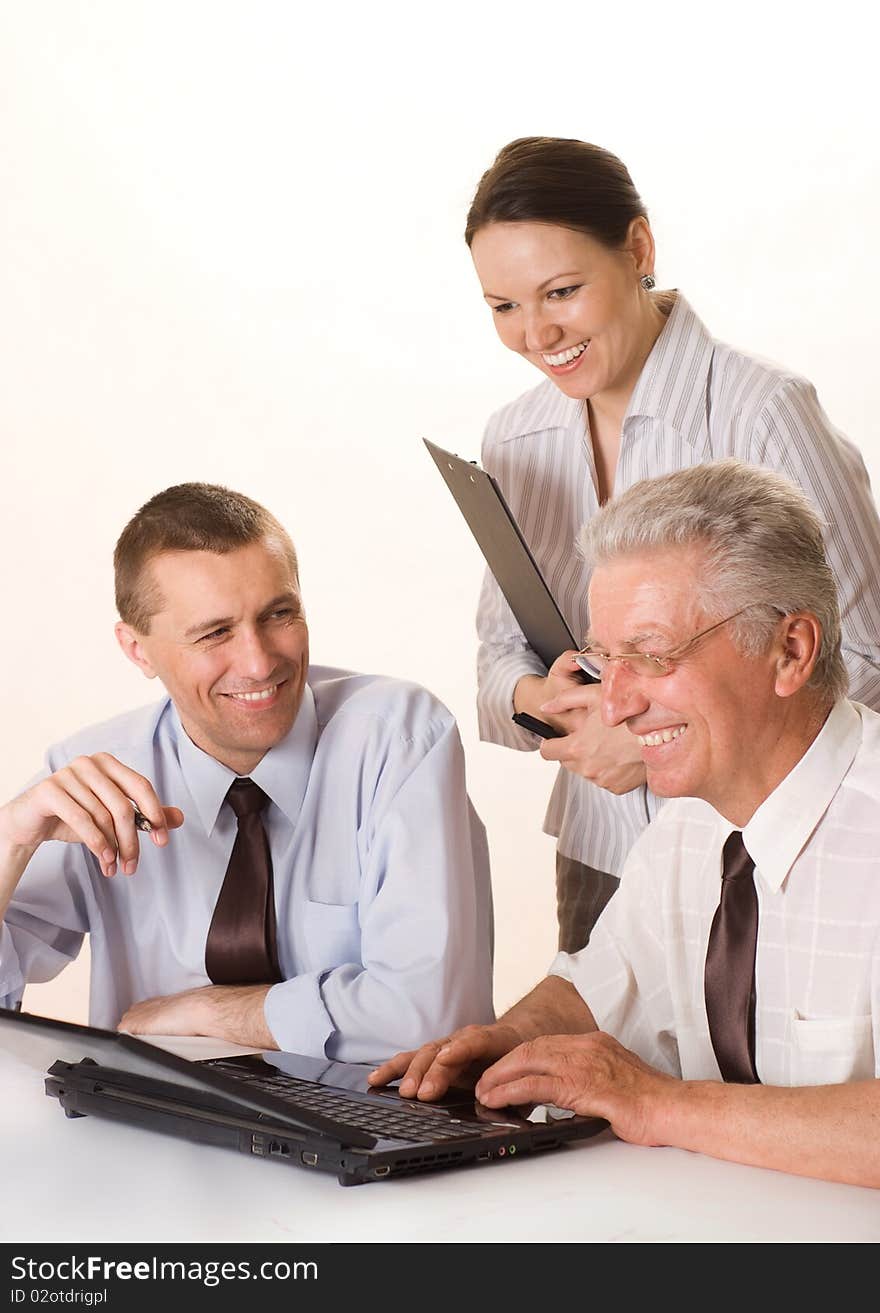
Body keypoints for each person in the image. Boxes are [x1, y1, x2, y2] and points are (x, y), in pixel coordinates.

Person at [370, 460, 880, 1189]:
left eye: (652, 655)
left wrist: (658, 1103)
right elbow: (600, 985)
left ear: (790, 650)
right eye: (608, 660)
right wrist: (509, 1042)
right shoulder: (688, 828)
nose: (614, 706)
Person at [467, 135, 880, 953]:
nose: (536, 334)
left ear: (640, 249)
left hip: (764, 855)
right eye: (503, 307)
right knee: (585, 1074)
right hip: (603, 857)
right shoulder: (515, 438)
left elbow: (867, 661)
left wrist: (657, 741)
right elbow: (494, 661)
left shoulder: (762, 412)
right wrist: (541, 704)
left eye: (561, 291)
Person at [0, 483, 494, 1061]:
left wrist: (203, 1011)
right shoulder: (95, 776)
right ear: (137, 651)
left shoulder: (398, 739)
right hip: (158, 1130)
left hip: (370, 1130)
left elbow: (430, 1017)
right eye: (215, 634)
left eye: (278, 614)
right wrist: (10, 838)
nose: (260, 662)